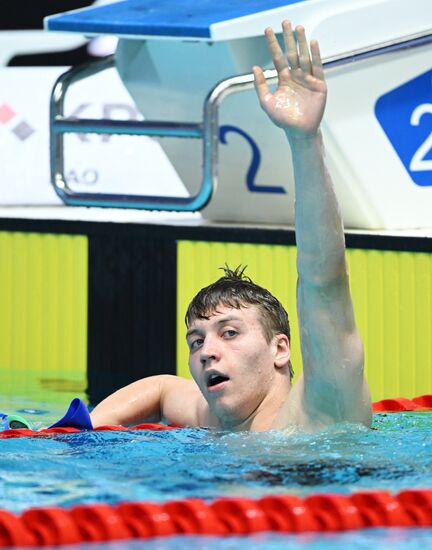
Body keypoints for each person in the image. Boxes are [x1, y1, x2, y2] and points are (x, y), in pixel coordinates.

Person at [90, 21, 372, 432]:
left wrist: (304, 140)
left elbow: (323, 280)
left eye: (230, 332)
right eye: (197, 341)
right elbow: (163, 388)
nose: (207, 352)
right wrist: (82, 431)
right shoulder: (216, 419)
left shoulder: (321, 410)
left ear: (280, 349)